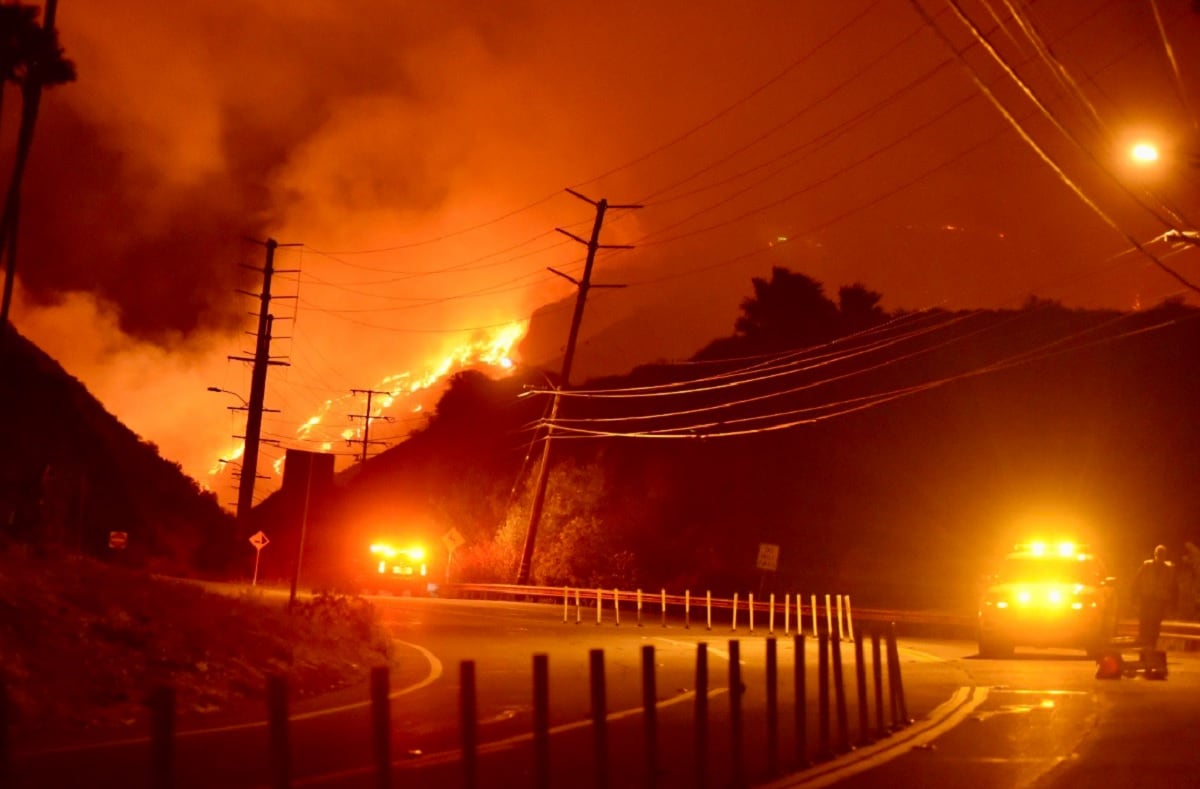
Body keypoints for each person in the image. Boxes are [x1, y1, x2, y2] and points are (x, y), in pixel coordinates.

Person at [1131, 544, 1177, 648]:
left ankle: (1152, 643)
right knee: (1144, 621)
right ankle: (1143, 643)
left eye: (1162, 555)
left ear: (1165, 556)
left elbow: (1174, 587)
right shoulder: (1147, 566)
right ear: (1155, 555)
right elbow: (1137, 581)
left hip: (1160, 600)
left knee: (1156, 623)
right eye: (1158, 555)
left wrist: (1173, 604)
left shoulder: (1169, 569)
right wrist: (1133, 597)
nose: (1160, 558)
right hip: (1147, 598)